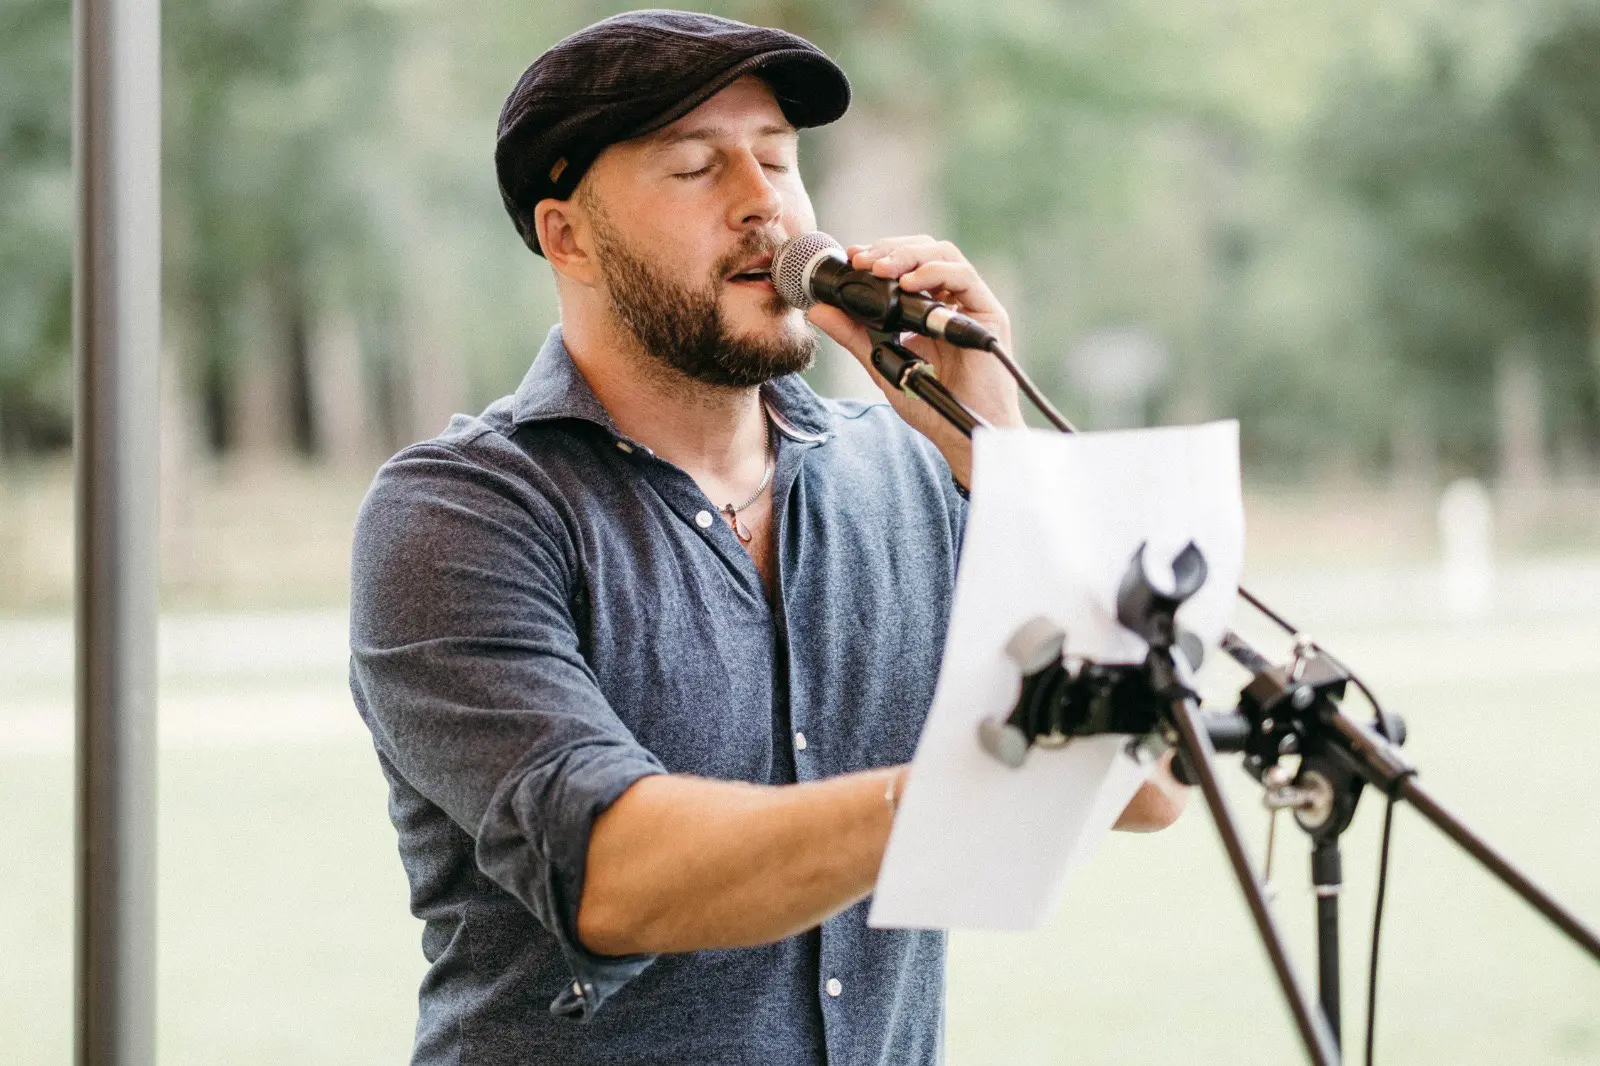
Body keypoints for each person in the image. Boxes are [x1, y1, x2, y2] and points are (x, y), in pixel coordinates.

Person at [349, 10, 1187, 1066]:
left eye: (780, 161)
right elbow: (615, 873)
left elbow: (1149, 783)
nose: (766, 205)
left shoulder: (909, 470)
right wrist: (960, 792)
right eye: (697, 168)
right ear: (568, 238)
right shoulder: (462, 511)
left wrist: (998, 448)